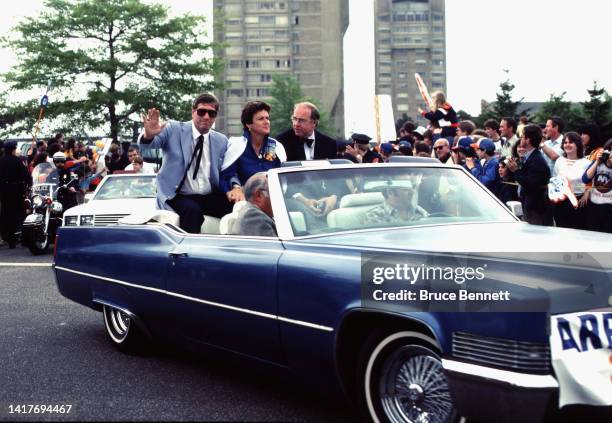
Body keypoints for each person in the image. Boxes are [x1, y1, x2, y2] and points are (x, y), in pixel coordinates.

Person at [140, 92, 232, 233]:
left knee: (236, 207)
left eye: (211, 113)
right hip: (177, 194)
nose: (206, 117)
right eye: (202, 112)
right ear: (193, 112)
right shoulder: (173, 129)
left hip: (208, 195)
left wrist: (236, 187)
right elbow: (148, 145)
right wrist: (148, 135)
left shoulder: (221, 141)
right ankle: (187, 252)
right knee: (192, 212)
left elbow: (228, 170)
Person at [221, 101, 286, 204]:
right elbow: (227, 175)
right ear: (248, 124)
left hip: (273, 201)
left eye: (267, 118)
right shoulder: (237, 145)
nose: (266, 122)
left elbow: (283, 177)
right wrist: (235, 188)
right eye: (261, 119)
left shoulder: (275, 147)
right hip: (243, 201)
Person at [506, 124, 552, 225]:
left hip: (535, 207)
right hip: (529, 204)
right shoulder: (530, 157)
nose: (520, 139)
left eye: (522, 137)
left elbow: (530, 184)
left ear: (528, 140)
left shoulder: (537, 160)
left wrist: (516, 170)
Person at [550, 132, 591, 229]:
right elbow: (555, 179)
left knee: (577, 231)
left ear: (578, 145)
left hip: (578, 202)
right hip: (560, 202)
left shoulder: (586, 163)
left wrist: (587, 192)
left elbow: (591, 181)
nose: (567, 145)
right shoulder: (559, 161)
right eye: (565, 142)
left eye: (571, 142)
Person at [0, 141, 31, 248]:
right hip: (16, 190)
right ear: (14, 149)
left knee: (7, 214)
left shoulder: (1, 161)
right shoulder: (17, 161)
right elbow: (25, 175)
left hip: (3, 190)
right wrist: (29, 184)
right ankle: (24, 239)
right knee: (21, 213)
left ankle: (10, 239)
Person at [229, 172, 277, 237]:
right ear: (259, 196)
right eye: (274, 192)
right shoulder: (253, 216)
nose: (280, 196)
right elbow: (274, 246)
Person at [582, 139, 612, 233]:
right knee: (592, 234)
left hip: (609, 207)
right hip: (594, 205)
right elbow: (585, 178)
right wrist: (596, 162)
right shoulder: (599, 162)